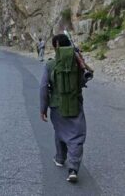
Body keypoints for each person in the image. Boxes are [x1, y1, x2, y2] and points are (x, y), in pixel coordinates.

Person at [39, 34, 87, 183]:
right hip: (75, 105)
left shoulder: (50, 64)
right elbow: (84, 79)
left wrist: (43, 108)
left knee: (60, 131)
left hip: (56, 107)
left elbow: (43, 88)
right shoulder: (78, 62)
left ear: (55, 47)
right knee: (76, 137)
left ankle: (60, 158)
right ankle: (73, 169)